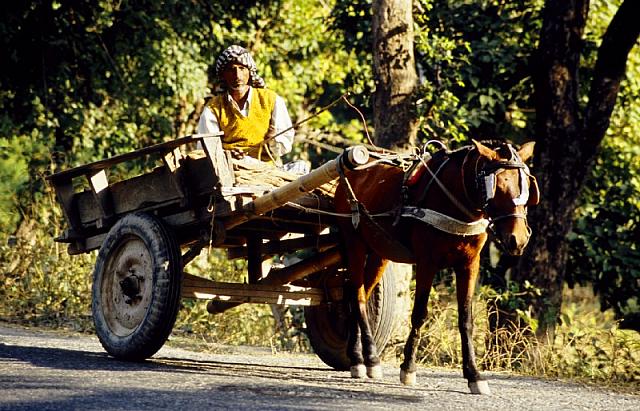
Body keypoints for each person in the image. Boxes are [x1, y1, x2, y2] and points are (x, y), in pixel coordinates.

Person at [197, 45, 294, 163]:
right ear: (223, 75)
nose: (237, 75)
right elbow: (206, 149)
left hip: (265, 170)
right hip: (230, 170)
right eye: (231, 70)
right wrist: (228, 155)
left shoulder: (271, 100)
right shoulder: (213, 109)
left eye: (242, 68)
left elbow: (284, 146)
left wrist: (273, 140)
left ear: (249, 72)